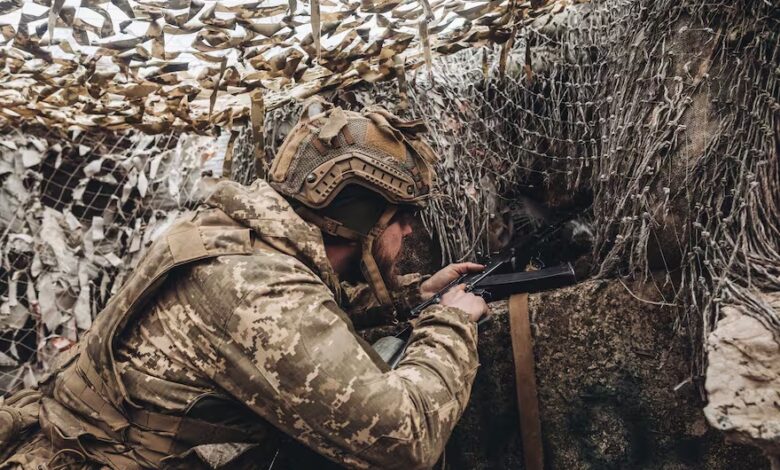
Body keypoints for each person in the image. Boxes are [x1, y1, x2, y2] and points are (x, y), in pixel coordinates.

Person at [0, 103, 488, 469]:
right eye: (402, 218)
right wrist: (451, 323)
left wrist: (416, 297)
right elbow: (405, 437)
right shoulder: (257, 288)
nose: (406, 233)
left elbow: (304, 318)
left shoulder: (239, 236)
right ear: (362, 220)